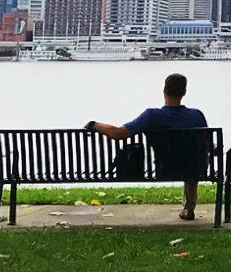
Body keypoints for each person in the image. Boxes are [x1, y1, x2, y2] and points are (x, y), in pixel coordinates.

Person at [87, 72, 210, 221]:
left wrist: (95, 125)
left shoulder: (151, 116)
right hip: (195, 169)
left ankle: (188, 208)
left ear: (164, 91)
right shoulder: (196, 115)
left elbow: (119, 133)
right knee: (191, 161)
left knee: (183, 161)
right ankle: (189, 208)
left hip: (165, 169)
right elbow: (207, 145)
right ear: (184, 92)